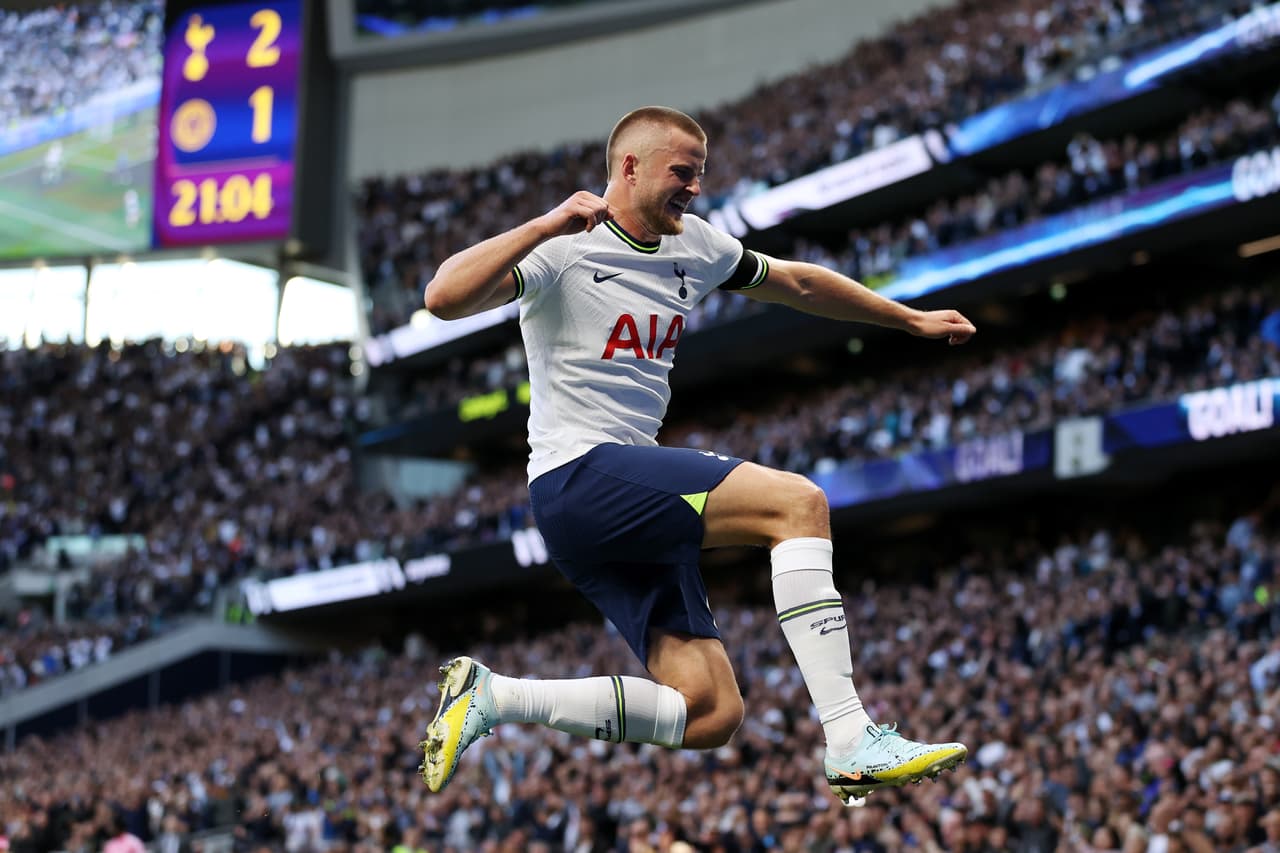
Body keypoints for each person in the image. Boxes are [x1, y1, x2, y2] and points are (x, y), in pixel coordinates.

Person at [418, 106, 975, 805]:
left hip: (618, 503)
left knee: (712, 712)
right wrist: (541, 224)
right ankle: (851, 738)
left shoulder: (698, 245)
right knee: (797, 503)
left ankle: (496, 696)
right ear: (630, 167)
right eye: (682, 172)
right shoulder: (562, 249)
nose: (695, 188)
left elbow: (799, 283)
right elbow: (441, 297)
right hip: (579, 476)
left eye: (701, 175)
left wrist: (907, 317)